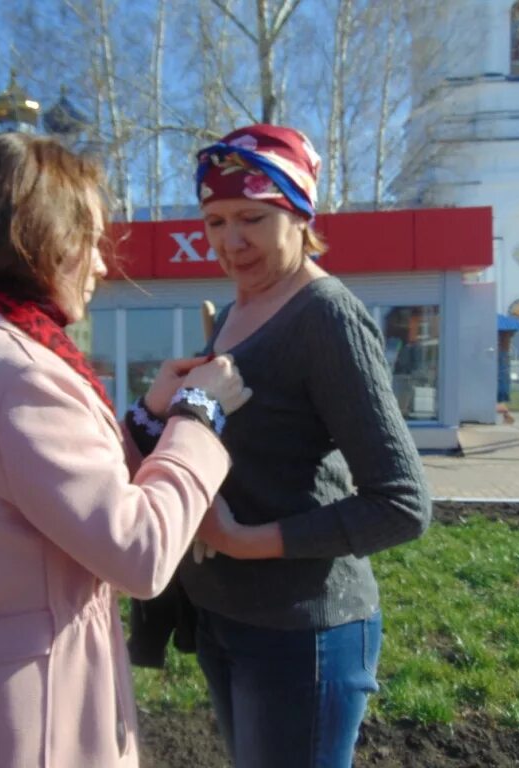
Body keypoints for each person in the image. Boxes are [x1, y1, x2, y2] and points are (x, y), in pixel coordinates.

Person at [0, 132, 251, 767]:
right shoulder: (19, 370)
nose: (99, 263)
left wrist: (150, 419)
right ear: (40, 238)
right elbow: (140, 551)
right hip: (32, 723)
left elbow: (47, 480)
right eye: (89, 239)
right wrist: (200, 414)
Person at [131, 125, 432, 767]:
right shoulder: (238, 309)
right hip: (224, 615)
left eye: (252, 218)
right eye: (214, 221)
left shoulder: (326, 316)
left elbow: (402, 504)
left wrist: (244, 540)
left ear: (298, 214)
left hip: (304, 632)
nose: (230, 241)